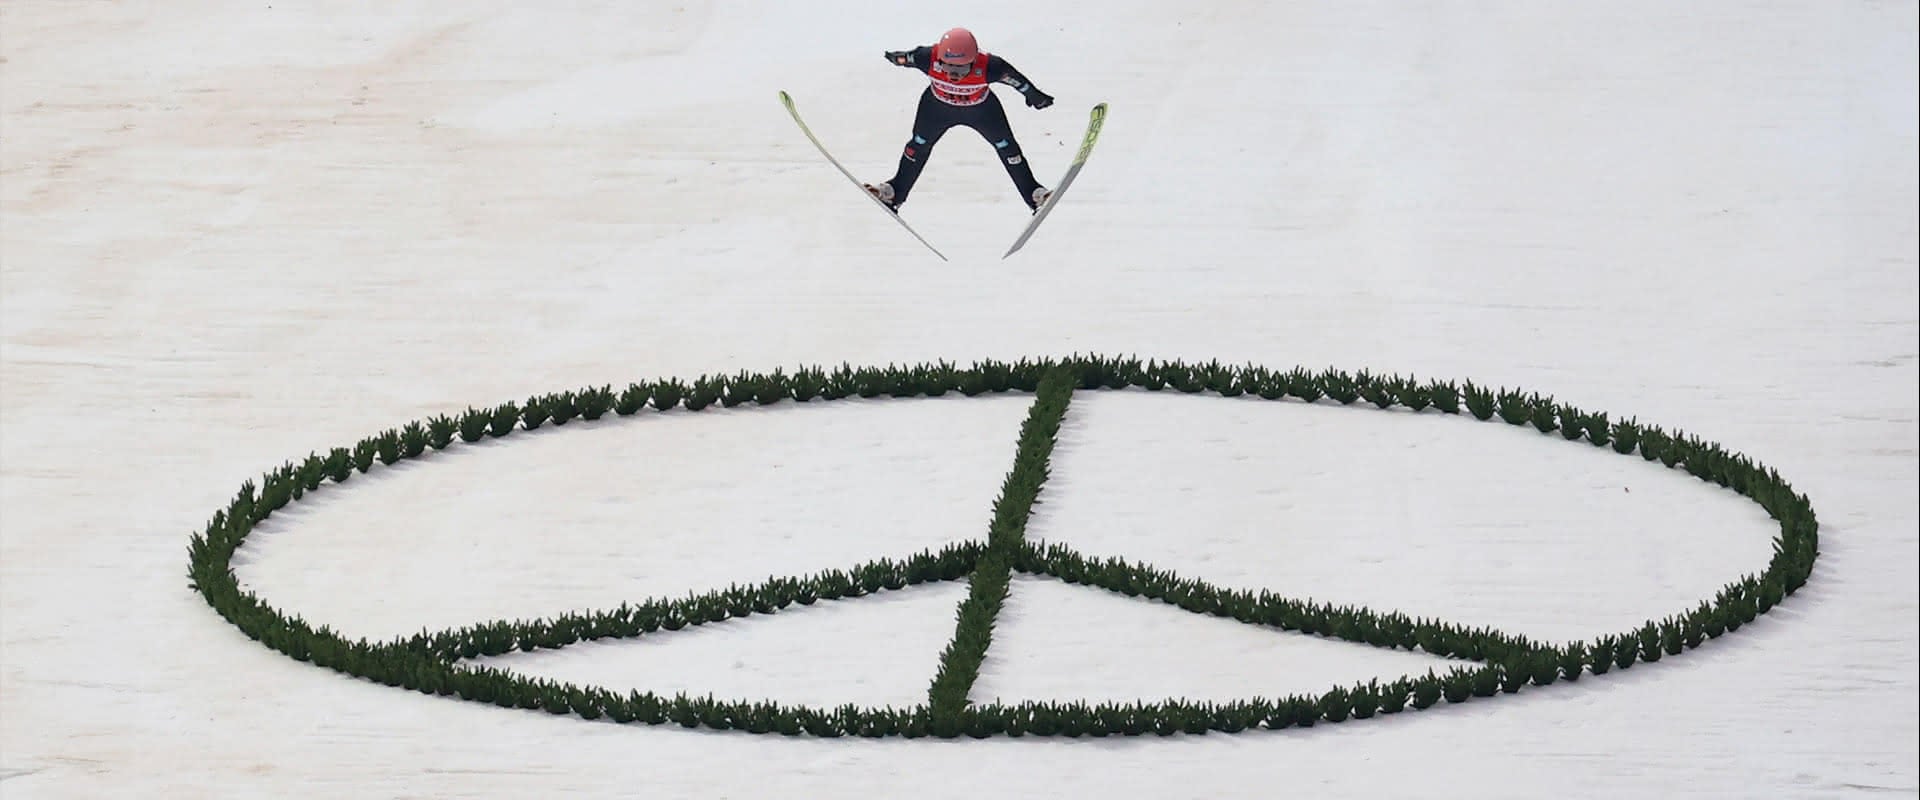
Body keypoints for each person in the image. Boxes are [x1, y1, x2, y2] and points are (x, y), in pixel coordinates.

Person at [864, 28, 1057, 214]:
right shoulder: (927, 57)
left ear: (974, 60)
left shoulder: (990, 66)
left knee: (1008, 148)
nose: (953, 74)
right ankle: (894, 192)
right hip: (937, 109)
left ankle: (1034, 194)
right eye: (947, 66)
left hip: (981, 111)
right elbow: (905, 58)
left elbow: (1017, 81)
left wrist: (1035, 96)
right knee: (918, 146)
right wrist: (895, 58)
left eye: (962, 67)